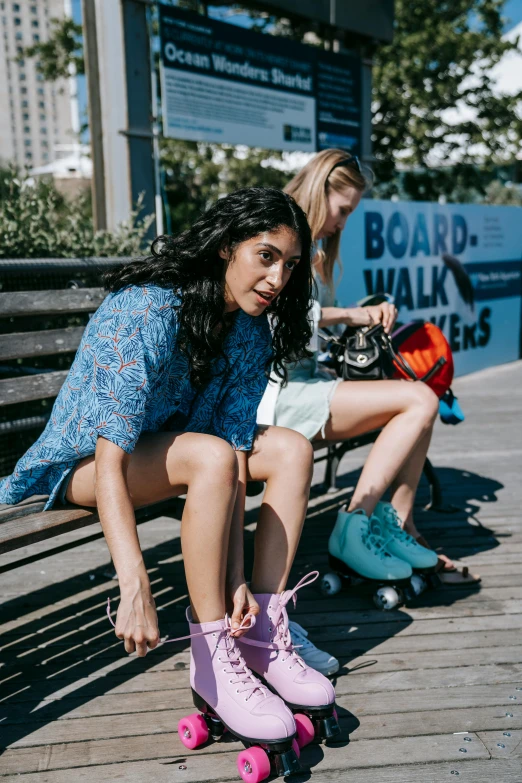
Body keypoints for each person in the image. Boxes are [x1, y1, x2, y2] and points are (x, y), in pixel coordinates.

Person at [0, 188, 339, 766]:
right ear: (226, 248)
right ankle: (212, 661)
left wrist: (236, 579)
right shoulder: (150, 309)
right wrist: (133, 584)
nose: (277, 277)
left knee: (289, 448)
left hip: (180, 453)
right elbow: (111, 461)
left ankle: (258, 629)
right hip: (80, 466)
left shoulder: (250, 328)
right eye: (265, 256)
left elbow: (235, 456)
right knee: (206, 456)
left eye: (288, 263)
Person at [258, 151, 452, 673]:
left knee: (416, 398)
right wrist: (352, 313)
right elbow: (277, 315)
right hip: (275, 398)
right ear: (321, 190)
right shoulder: (278, 230)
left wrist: (350, 327)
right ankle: (356, 524)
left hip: (303, 385)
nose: (344, 220)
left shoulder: (313, 244)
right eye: (342, 208)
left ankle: (394, 523)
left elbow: (304, 333)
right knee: (418, 398)